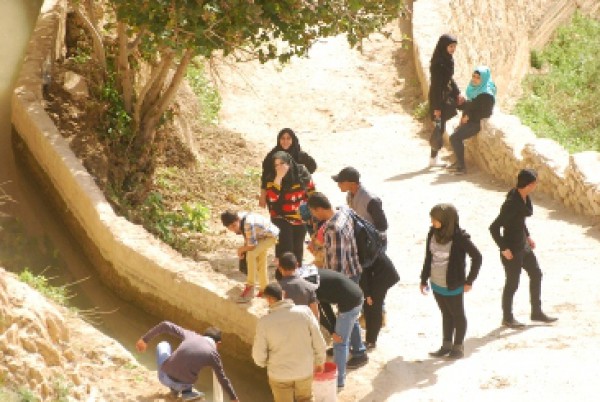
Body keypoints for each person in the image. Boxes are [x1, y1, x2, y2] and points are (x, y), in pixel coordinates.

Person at [489, 169, 558, 327]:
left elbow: (519, 220)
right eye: (535, 182)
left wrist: (527, 236)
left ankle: (536, 312)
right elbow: (493, 228)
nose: (536, 185)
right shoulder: (511, 204)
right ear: (529, 184)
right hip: (512, 250)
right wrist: (504, 248)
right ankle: (507, 318)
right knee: (512, 284)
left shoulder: (523, 197)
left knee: (536, 274)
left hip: (523, 246)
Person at [419, 204, 482, 359]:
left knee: (458, 315)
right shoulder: (432, 233)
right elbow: (428, 257)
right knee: (446, 314)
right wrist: (423, 279)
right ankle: (446, 346)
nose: (432, 222)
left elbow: (477, 257)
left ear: (446, 220)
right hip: (436, 283)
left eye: (435, 219)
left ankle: (458, 348)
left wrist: (469, 281)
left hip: (453, 284)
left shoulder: (460, 237)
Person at [252, 283, 326, 402]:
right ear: (283, 294)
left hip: (279, 374)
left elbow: (258, 355)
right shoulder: (305, 312)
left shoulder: (264, 322)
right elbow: (318, 340)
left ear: (269, 299)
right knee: (306, 399)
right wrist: (320, 361)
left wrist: (265, 363)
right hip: (304, 370)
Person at [136, 321, 238, 402]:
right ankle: (187, 393)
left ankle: (175, 391)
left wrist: (144, 340)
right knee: (192, 366)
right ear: (219, 344)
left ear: (203, 335)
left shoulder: (192, 335)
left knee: (163, 344)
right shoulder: (213, 355)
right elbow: (222, 379)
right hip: (184, 385)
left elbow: (165, 325)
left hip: (164, 378)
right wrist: (233, 397)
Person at [315, 268, 368, 388]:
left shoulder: (307, 287)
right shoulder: (310, 276)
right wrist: (333, 329)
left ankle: (338, 381)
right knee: (350, 323)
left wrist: (333, 332)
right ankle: (359, 353)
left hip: (350, 302)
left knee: (339, 343)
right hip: (355, 295)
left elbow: (319, 313)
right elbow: (324, 304)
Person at [265, 151, 316, 267]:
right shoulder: (272, 177)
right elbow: (272, 198)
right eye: (276, 165)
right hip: (280, 216)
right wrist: (279, 177)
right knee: (285, 249)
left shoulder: (302, 172)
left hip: (300, 216)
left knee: (298, 249)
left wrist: (312, 214)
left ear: (289, 162)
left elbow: (311, 192)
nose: (279, 167)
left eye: (282, 163)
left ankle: (297, 273)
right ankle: (283, 274)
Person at [447, 65, 496, 175]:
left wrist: (469, 117)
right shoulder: (474, 89)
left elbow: (486, 113)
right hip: (469, 120)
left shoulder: (486, 94)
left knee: (454, 138)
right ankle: (459, 162)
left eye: (478, 77)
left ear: (484, 78)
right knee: (455, 135)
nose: (474, 79)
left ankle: (461, 167)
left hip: (476, 123)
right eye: (473, 76)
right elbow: (470, 105)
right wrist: (464, 112)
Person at [221, 210, 280, 303]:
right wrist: (244, 249)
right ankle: (264, 289)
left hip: (270, 236)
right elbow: (248, 238)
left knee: (251, 254)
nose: (234, 229)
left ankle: (250, 286)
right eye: (230, 228)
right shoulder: (240, 219)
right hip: (260, 236)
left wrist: (241, 250)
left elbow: (251, 246)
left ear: (238, 219)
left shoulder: (247, 223)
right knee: (261, 262)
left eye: (234, 226)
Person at [307, 192, 362, 282]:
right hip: (353, 269)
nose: (314, 215)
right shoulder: (343, 212)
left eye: (313, 212)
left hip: (344, 278)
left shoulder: (333, 229)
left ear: (319, 209)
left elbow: (337, 265)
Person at [428, 34, 464, 167]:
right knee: (439, 127)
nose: (453, 49)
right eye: (451, 46)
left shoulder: (447, 60)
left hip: (445, 95)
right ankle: (433, 159)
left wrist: (457, 93)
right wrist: (437, 108)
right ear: (444, 46)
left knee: (440, 126)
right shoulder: (438, 64)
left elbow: (449, 79)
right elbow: (436, 87)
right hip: (438, 98)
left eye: (454, 47)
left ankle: (434, 159)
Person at [259, 128, 317, 208]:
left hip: (297, 195)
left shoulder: (300, 155)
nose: (285, 141)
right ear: (279, 140)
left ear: (293, 140)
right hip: (276, 193)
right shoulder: (272, 156)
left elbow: (312, 166)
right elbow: (265, 177)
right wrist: (263, 195)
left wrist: (300, 177)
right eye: (282, 138)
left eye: (288, 138)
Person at [360, 253, 399, 349]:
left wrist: (367, 294)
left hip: (384, 274)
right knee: (369, 306)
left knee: (372, 306)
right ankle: (370, 339)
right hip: (379, 271)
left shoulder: (359, 255)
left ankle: (371, 341)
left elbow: (365, 274)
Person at [332, 166, 388, 233]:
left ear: (352, 183)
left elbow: (382, 226)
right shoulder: (349, 196)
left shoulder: (371, 200)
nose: (338, 185)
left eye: (341, 182)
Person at [276, 252, 319, 319]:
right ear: (297, 265)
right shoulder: (309, 286)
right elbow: (315, 315)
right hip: (304, 324)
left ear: (279, 267)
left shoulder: (277, 289)